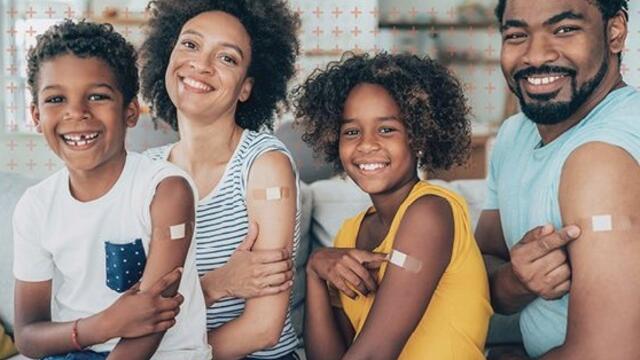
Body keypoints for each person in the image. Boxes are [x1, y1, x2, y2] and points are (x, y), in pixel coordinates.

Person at [12, 20, 211, 359]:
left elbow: (153, 319)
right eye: (56, 98)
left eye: (98, 96)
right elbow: (28, 336)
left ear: (130, 111)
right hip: (77, 349)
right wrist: (105, 324)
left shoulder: (166, 191)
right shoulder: (36, 206)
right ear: (36, 115)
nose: (76, 112)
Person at [293, 52, 493, 360]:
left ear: (419, 136)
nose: (366, 144)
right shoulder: (349, 233)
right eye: (351, 131)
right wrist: (315, 272)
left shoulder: (431, 212)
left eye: (386, 129)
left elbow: (374, 354)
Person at [477, 0, 640, 358]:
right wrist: (516, 281)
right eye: (517, 34)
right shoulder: (514, 135)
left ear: (615, 31)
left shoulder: (601, 159)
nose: (536, 56)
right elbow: (480, 266)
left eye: (565, 29)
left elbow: (606, 355)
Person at [139, 1, 302, 359]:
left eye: (227, 58)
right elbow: (130, 311)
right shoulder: (145, 172)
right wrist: (217, 285)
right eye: (190, 45)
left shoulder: (264, 164)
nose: (201, 64)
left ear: (245, 88)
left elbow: (263, 330)